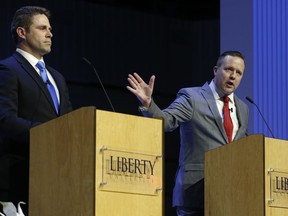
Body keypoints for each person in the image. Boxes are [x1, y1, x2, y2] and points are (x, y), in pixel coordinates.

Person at [127, 50, 249, 216]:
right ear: (215, 70)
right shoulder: (192, 97)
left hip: (229, 196)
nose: (233, 76)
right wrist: (148, 105)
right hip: (195, 195)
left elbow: (245, 147)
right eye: (228, 69)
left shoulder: (243, 108)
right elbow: (166, 121)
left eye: (238, 73)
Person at [0, 6, 73, 214]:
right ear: (21, 32)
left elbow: (69, 123)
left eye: (50, 29)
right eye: (42, 28)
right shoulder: (8, 69)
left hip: (56, 179)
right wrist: (47, 135)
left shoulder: (57, 77)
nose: (50, 33)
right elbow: (5, 120)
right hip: (19, 178)